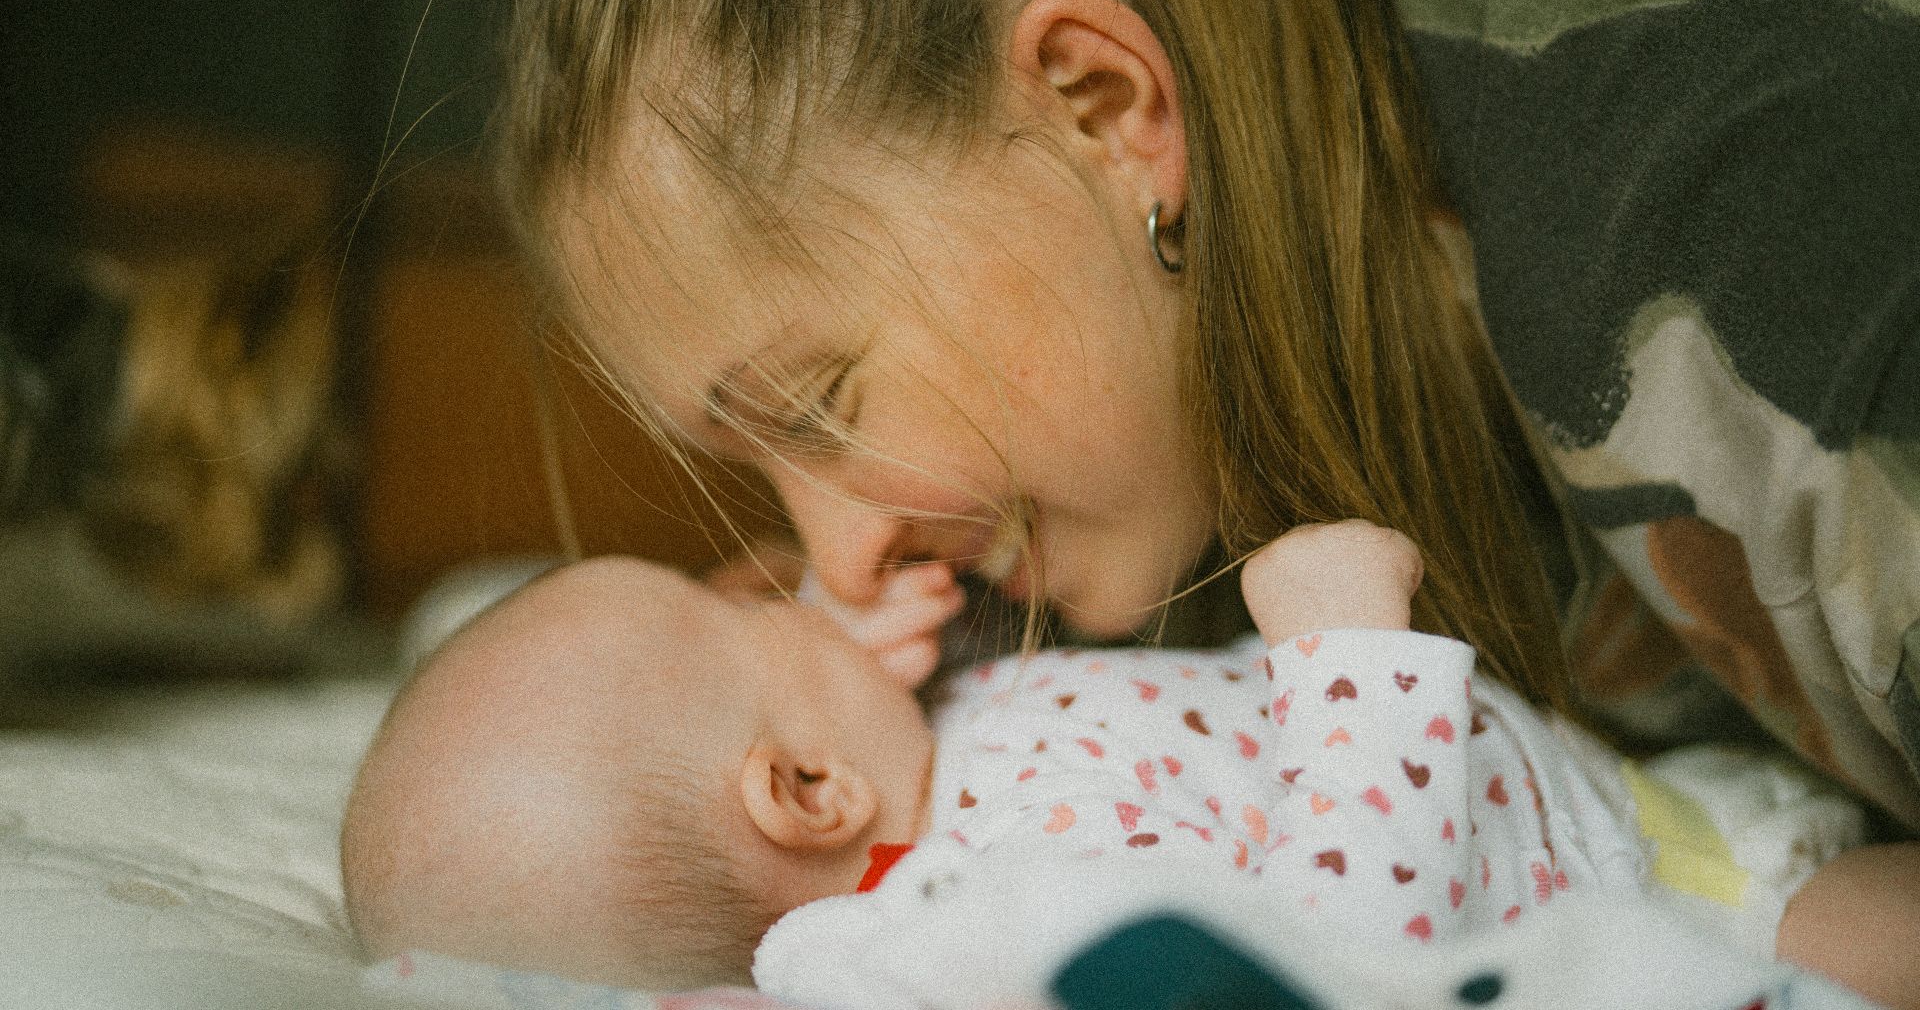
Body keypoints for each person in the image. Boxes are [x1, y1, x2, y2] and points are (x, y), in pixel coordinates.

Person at [491, 0, 1920, 997]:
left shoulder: (1741, 238)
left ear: (1106, 114)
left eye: (823, 405)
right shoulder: (1179, 465)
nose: (841, 556)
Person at [340, 522, 1887, 1001]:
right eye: (748, 616)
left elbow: (782, 704)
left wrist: (836, 627)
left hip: (1611, 799)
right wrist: (1348, 653)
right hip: (1669, 909)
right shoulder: (1015, 898)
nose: (800, 595)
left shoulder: (917, 773)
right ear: (807, 791)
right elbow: (1348, 944)